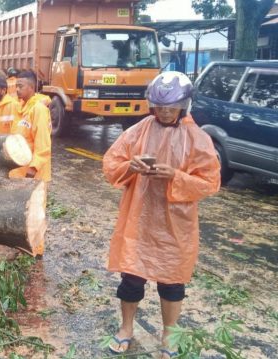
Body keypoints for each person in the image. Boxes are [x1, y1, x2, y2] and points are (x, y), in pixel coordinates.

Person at [102, 72, 220, 358]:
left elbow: (210, 182)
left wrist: (176, 176)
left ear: (184, 105)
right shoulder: (140, 129)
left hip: (175, 224)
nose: (165, 111)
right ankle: (126, 328)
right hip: (138, 219)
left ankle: (170, 334)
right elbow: (111, 162)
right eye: (159, 106)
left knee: (171, 282)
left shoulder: (197, 137)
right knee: (131, 277)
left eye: (172, 106)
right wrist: (131, 166)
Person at [9, 70, 52, 182]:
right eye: (16, 86)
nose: (17, 89)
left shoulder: (39, 109)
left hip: (33, 176)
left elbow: (43, 144)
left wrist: (33, 169)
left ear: (31, 87)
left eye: (20, 86)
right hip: (19, 172)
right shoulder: (20, 109)